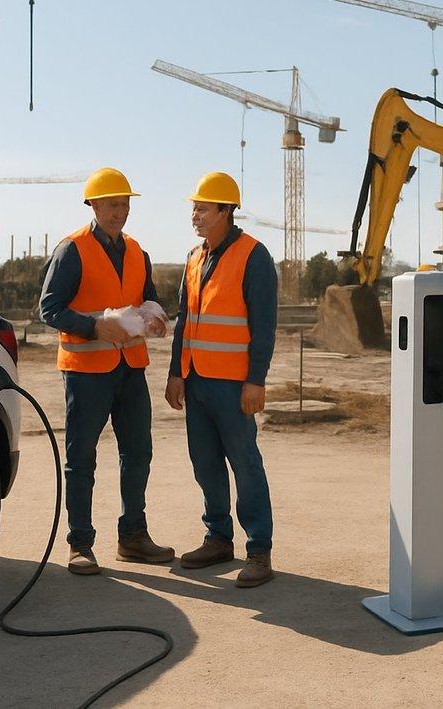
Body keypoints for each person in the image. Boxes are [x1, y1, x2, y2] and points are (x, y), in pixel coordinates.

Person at [39, 167, 174, 575]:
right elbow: (49, 309)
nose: (121, 212)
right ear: (94, 205)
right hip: (86, 371)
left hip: (130, 368)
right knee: (82, 458)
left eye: (125, 204)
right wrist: (96, 326)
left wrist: (155, 315)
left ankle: (132, 537)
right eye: (113, 204)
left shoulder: (137, 252)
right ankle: (80, 544)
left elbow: (146, 298)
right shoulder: (72, 250)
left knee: (138, 453)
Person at [165, 172, 278, 588]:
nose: (195, 214)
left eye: (203, 208)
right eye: (194, 207)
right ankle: (217, 537)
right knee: (206, 463)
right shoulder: (195, 257)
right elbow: (185, 321)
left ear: (226, 211)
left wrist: (256, 381)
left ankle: (259, 550)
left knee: (245, 464)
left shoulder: (254, 256)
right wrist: (177, 372)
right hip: (197, 382)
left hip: (234, 385)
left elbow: (264, 325)